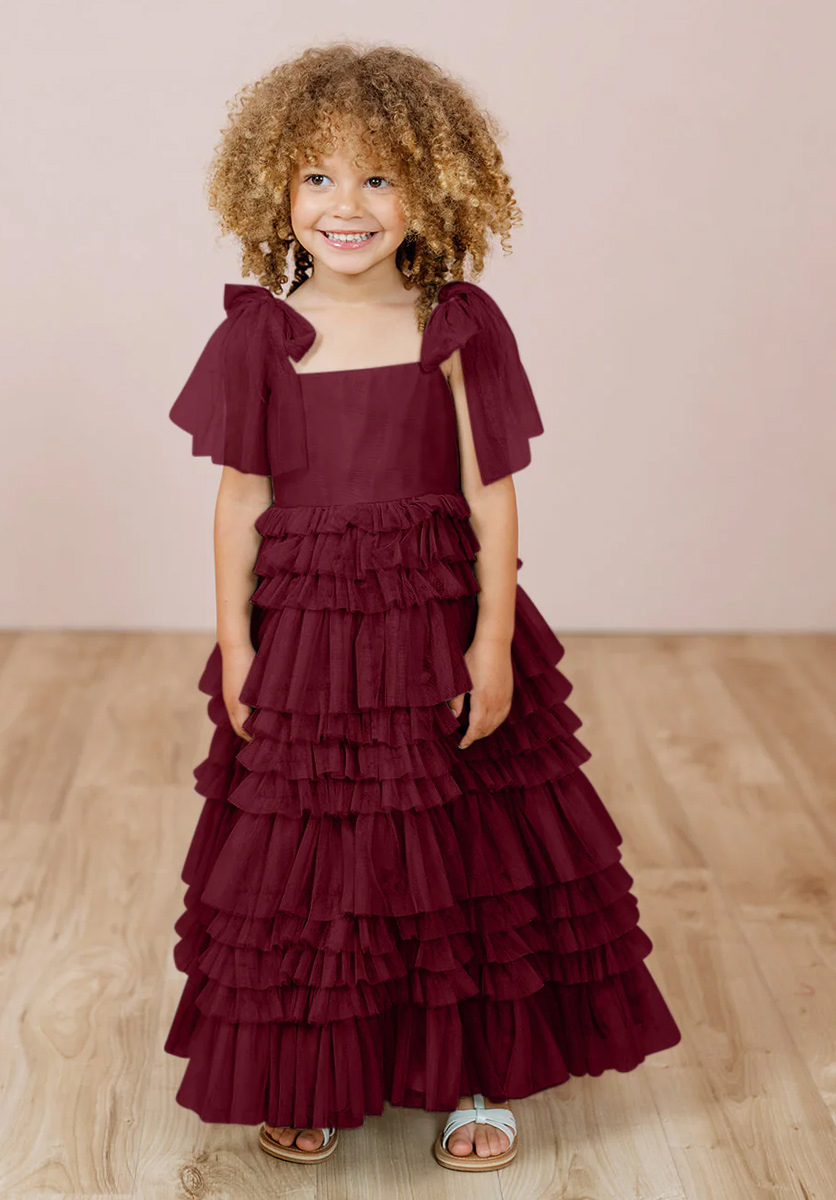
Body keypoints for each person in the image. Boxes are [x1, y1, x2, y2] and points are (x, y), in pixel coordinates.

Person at [163, 41, 682, 1173]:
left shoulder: (455, 324)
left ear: (432, 187)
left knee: (464, 845)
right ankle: (316, 1064)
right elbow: (240, 501)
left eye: (378, 177)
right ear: (274, 187)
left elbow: (490, 494)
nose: (345, 206)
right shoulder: (260, 335)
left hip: (434, 621)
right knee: (318, 852)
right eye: (318, 177)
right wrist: (237, 647)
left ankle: (469, 1073)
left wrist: (492, 641)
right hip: (309, 636)